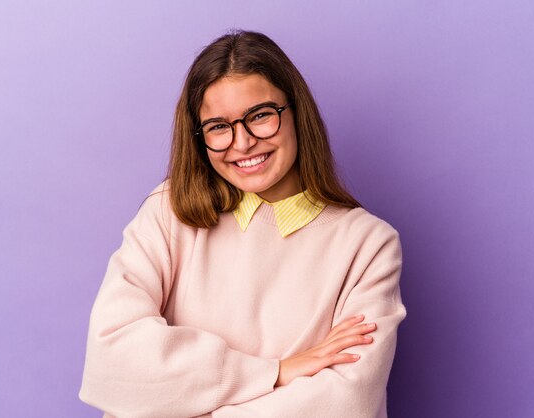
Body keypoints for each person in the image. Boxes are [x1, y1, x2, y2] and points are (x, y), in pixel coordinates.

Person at [78, 29, 407, 418]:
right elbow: (114, 356)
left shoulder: (368, 245)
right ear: (199, 136)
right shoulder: (168, 212)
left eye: (260, 116)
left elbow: (344, 404)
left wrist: (180, 403)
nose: (243, 142)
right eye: (219, 127)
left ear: (296, 112)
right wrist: (275, 373)